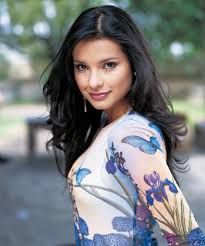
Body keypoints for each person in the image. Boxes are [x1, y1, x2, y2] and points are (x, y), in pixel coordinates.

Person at [42, 5, 205, 245]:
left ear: (134, 64)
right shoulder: (108, 124)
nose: (93, 82)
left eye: (109, 65)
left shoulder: (130, 135)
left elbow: (188, 239)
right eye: (82, 67)